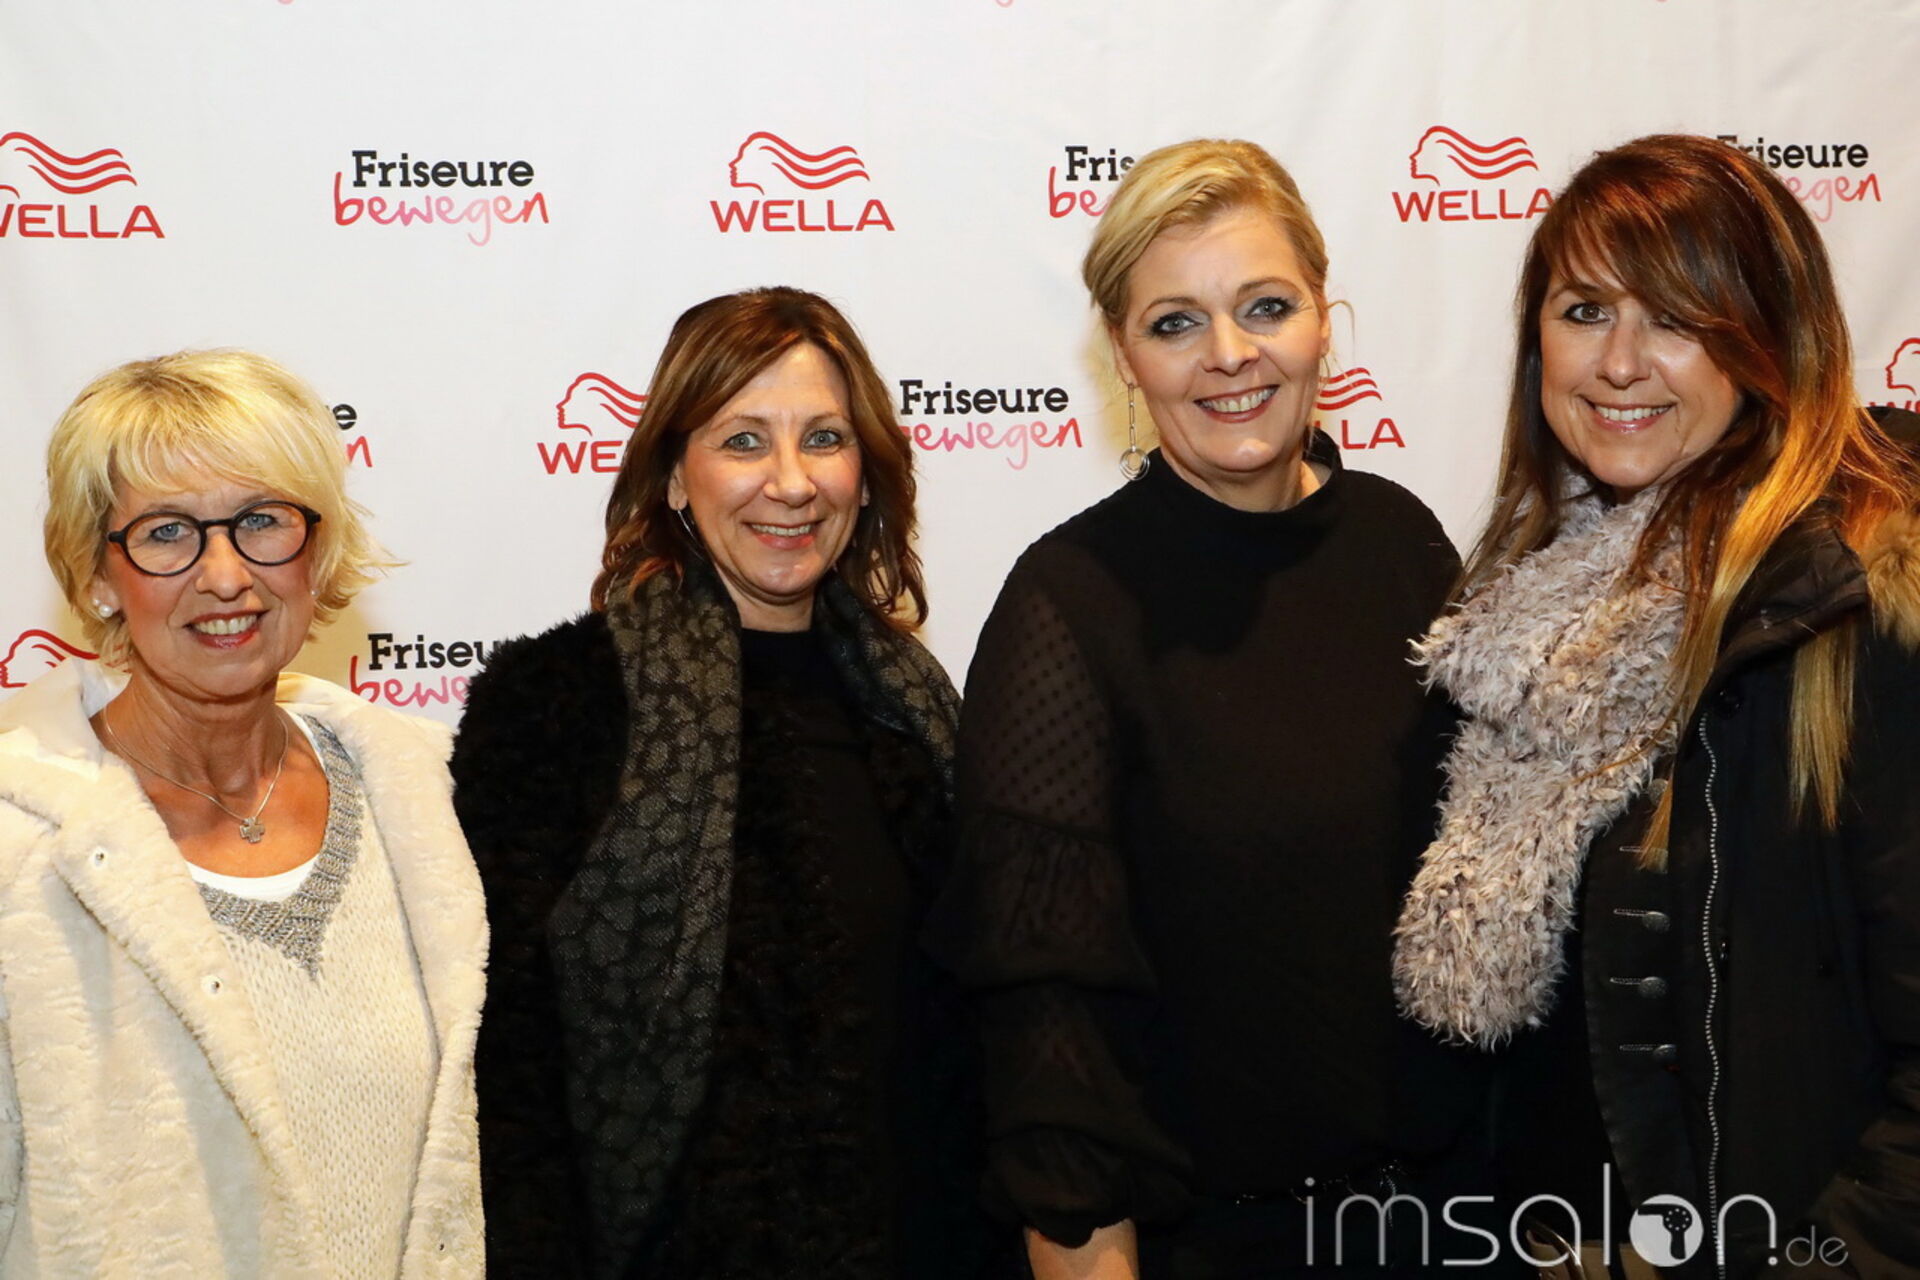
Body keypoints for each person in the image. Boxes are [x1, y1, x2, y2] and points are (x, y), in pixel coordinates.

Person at [927, 139, 1490, 1278]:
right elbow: (1050, 1033)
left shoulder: (1404, 541)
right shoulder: (1068, 603)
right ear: (1124, 355)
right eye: (1176, 322)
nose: (1230, 354)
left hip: (1460, 1219)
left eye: (1265, 306)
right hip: (1227, 1244)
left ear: (1323, 317)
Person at [1393, 133, 1920, 1277]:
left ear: (1767, 338)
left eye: (1676, 317)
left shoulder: (1852, 606)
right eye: (1585, 310)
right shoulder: (1520, 606)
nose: (1620, 362)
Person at [453, 287, 994, 1278]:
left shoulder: (918, 709)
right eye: (744, 441)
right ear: (672, 476)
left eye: (824, 438)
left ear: (866, 473)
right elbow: (507, 1073)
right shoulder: (558, 705)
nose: (791, 483)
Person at [0, 349, 486, 1275]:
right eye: (167, 533)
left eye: (262, 521)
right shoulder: (19, 847)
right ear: (96, 574)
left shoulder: (427, 799)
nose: (225, 576)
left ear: (317, 551)